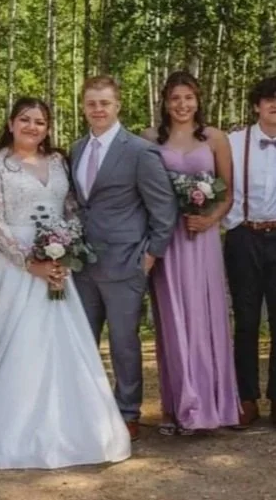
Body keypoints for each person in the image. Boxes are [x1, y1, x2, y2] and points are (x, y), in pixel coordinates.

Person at [0, 97, 131, 469]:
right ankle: (6, 426)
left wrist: (65, 250)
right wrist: (28, 261)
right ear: (11, 122)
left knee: (58, 339)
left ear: (48, 128)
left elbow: (69, 207)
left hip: (57, 261)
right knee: (14, 337)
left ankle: (77, 427)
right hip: (10, 263)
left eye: (40, 122)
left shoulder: (57, 161)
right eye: (25, 120)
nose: (33, 127)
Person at [71, 75, 178, 441]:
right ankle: (86, 408)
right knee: (82, 340)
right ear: (83, 107)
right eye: (91, 103)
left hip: (125, 263)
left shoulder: (138, 151)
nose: (98, 109)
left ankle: (127, 412)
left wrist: (149, 257)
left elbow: (163, 210)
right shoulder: (76, 149)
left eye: (104, 102)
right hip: (81, 264)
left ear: (118, 106)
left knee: (123, 342)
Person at [141, 71, 239, 435]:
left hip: (203, 239)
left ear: (198, 100)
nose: (182, 105)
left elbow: (228, 192)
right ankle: (174, 406)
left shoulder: (215, 138)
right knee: (172, 319)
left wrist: (209, 219)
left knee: (204, 316)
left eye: (188, 98)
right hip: (167, 240)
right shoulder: (149, 139)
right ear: (165, 102)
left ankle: (210, 405)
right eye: (174, 99)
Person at [223, 76, 276, 431]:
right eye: (270, 99)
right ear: (256, 105)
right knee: (245, 321)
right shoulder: (232, 141)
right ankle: (246, 399)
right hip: (244, 236)